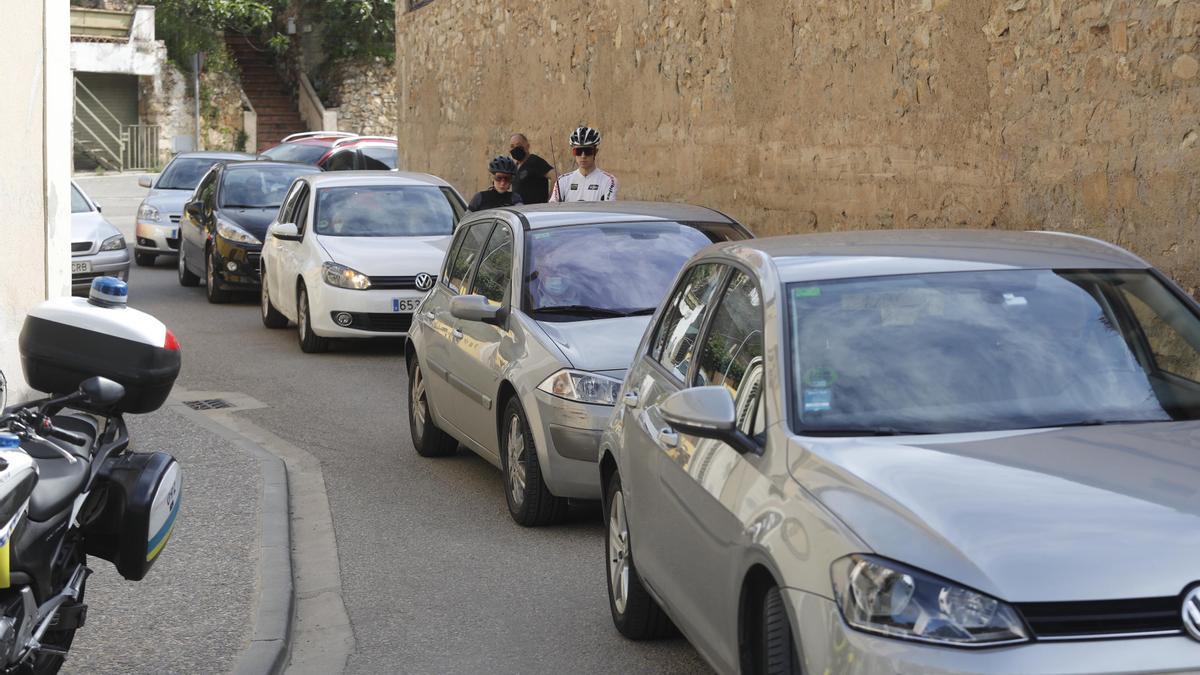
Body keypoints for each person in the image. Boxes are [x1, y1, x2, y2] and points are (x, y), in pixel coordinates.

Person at [549, 126, 618, 203]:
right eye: (578, 151)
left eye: (588, 151)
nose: (583, 156)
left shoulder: (609, 180)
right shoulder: (562, 181)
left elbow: (608, 209)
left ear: (596, 152)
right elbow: (553, 206)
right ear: (573, 152)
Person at [509, 133, 556, 204]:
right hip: (521, 211)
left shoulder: (534, 161)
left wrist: (551, 200)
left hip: (535, 212)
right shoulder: (515, 167)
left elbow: (555, 176)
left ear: (527, 146)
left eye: (518, 145)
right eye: (512, 146)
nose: (515, 148)